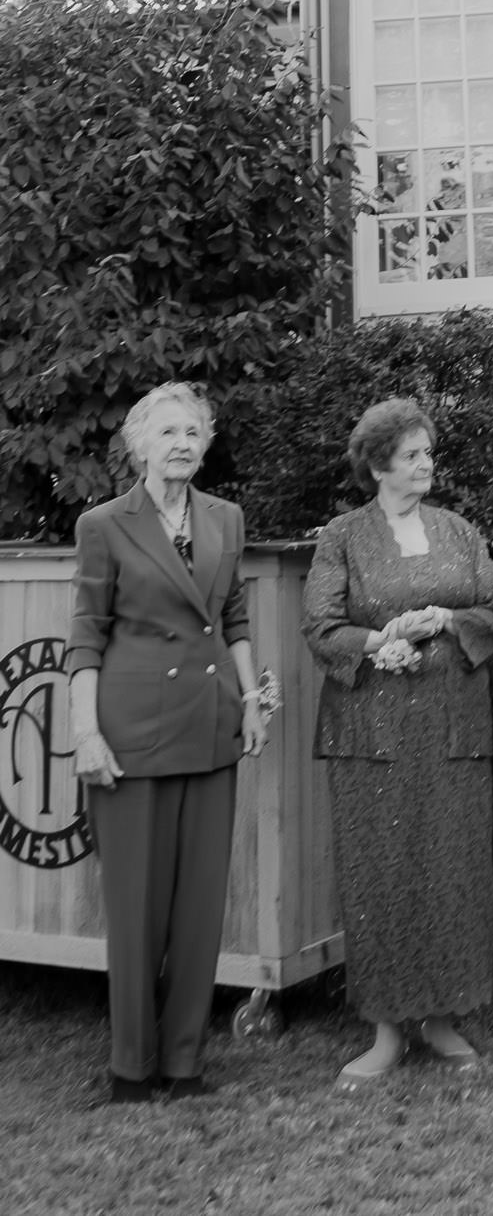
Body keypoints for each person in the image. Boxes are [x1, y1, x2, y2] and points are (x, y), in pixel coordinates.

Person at [66, 381, 269, 1102]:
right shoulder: (104, 524)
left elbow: (235, 616)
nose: (182, 443)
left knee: (199, 906)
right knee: (135, 907)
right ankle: (130, 1067)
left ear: (205, 443)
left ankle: (183, 1065)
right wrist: (85, 733)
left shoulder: (225, 517)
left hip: (211, 725)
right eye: (168, 432)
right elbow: (86, 635)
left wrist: (251, 699)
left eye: (193, 432)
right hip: (131, 734)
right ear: (139, 445)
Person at [302, 398, 493, 1088]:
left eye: (428, 452)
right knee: (380, 874)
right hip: (373, 734)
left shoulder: (459, 529)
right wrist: (379, 641)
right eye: (415, 453)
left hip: (452, 728)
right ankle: (387, 1030)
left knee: (453, 869)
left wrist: (448, 617)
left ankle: (444, 1019)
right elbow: (322, 627)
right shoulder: (342, 537)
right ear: (380, 462)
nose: (427, 463)